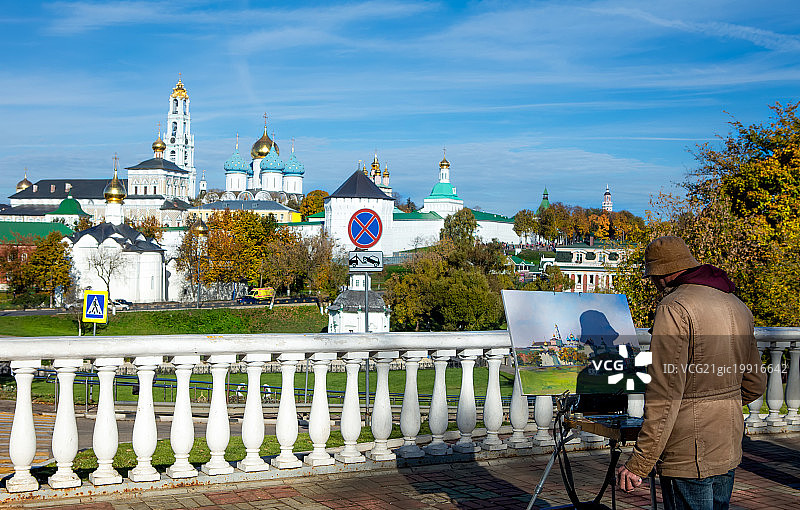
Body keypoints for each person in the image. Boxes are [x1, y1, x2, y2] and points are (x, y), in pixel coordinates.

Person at [616, 236, 767, 510]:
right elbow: (756, 383)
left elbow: (665, 394)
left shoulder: (674, 308)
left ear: (661, 274)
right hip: (728, 440)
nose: (652, 283)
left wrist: (639, 463)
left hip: (688, 451)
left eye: (652, 276)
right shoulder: (737, 304)